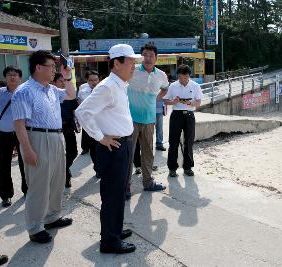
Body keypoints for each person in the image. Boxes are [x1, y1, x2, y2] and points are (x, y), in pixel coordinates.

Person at [75, 44, 141, 254]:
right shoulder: (107, 87)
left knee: (119, 192)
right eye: (130, 62)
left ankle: (114, 230)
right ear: (116, 63)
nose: (134, 66)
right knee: (112, 195)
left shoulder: (121, 84)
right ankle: (110, 241)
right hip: (113, 147)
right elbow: (83, 112)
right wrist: (101, 138)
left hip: (124, 143)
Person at [11, 50, 75, 243]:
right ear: (38, 67)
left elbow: (71, 95)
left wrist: (68, 76)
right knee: (39, 185)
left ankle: (52, 216)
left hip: (56, 137)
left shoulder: (52, 89)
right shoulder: (24, 91)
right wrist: (28, 150)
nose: (55, 70)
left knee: (57, 180)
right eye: (52, 67)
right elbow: (19, 123)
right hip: (37, 138)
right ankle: (35, 226)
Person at [126, 43, 169, 197]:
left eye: (151, 55)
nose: (148, 58)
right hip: (130, 119)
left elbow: (165, 88)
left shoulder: (161, 75)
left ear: (156, 58)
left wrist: (155, 100)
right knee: (128, 153)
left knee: (148, 152)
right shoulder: (133, 71)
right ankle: (126, 187)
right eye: (145, 54)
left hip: (149, 119)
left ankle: (148, 182)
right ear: (141, 56)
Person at [0, 66, 27, 207]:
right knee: (3, 165)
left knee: (25, 164)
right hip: (4, 134)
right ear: (5, 77)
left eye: (15, 75)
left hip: (23, 133)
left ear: (20, 77)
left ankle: (28, 190)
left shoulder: (26, 92)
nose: (12, 77)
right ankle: (6, 195)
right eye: (9, 75)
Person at [164, 64, 203, 177]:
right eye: (180, 77)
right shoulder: (173, 86)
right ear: (178, 76)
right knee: (173, 142)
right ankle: (172, 168)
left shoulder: (195, 86)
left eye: (185, 77)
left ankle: (188, 167)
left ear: (189, 76)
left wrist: (190, 103)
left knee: (189, 142)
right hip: (176, 114)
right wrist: (173, 102)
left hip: (189, 115)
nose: (182, 80)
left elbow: (198, 102)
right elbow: (166, 101)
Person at [53, 73, 79, 188]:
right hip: (55, 129)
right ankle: (66, 177)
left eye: (65, 80)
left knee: (73, 152)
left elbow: (75, 109)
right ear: (54, 82)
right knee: (58, 154)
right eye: (60, 81)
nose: (63, 83)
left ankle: (63, 170)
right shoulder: (51, 94)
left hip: (68, 126)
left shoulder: (69, 95)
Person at [78, 70, 101, 177]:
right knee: (93, 149)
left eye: (96, 80)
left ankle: (102, 167)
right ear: (87, 81)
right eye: (91, 80)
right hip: (90, 125)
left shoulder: (104, 90)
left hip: (103, 124)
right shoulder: (83, 92)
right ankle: (97, 167)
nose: (94, 82)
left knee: (102, 148)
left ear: (99, 79)